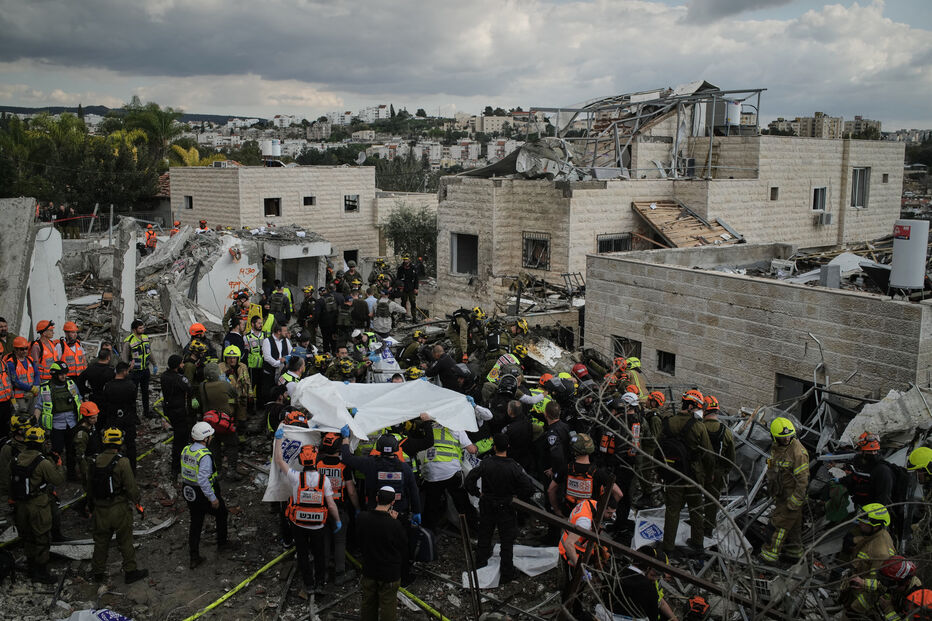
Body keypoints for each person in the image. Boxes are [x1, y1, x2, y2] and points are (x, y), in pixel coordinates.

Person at [464, 433, 536, 583]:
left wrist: (478, 494)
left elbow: (469, 480)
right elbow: (529, 487)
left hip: (487, 505)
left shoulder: (485, 464)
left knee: (484, 536)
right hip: (506, 506)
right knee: (507, 541)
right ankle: (507, 573)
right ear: (507, 447)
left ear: (494, 447)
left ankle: (480, 566)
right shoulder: (514, 467)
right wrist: (516, 497)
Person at [274, 438, 340, 597]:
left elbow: (278, 460)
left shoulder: (295, 477)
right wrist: (337, 520)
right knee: (319, 554)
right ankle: (319, 584)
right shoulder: (324, 481)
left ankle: (309, 585)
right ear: (317, 459)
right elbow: (331, 505)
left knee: (302, 554)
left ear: (301, 460)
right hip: (318, 525)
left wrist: (278, 440)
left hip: (299, 524)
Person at [89, 427, 148, 584]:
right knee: (125, 541)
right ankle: (130, 571)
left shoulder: (94, 461)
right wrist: (137, 502)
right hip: (118, 508)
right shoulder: (122, 462)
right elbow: (131, 487)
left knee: (101, 542)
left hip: (100, 509)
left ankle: (98, 573)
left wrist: (90, 506)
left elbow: (89, 486)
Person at [658, 389, 712, 556]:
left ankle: (668, 547)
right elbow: (708, 454)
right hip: (694, 477)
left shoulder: (668, 422)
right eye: (697, 408)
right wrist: (709, 475)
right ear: (690, 406)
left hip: (673, 474)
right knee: (696, 510)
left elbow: (659, 448)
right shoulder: (699, 427)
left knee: (672, 510)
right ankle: (698, 543)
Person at [10, 426, 64, 583]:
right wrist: (59, 465)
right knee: (41, 538)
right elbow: (58, 480)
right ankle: (41, 572)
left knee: (27, 537)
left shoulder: (16, 459)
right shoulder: (43, 463)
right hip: (38, 505)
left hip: (20, 505)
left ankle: (31, 567)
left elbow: (8, 481)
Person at [182, 421, 236, 569]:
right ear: (205, 438)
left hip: (189, 492)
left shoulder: (187, 450)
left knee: (196, 522)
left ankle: (194, 556)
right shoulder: (204, 455)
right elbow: (203, 480)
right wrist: (213, 498)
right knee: (221, 513)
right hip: (202, 493)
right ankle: (222, 543)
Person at [759, 417, 809, 564]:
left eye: (788, 436)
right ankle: (794, 554)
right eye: (782, 437)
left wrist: (794, 501)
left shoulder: (798, 453)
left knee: (778, 526)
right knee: (793, 529)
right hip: (781, 495)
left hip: (791, 498)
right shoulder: (777, 448)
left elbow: (803, 480)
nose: (786, 439)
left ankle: (769, 555)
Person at [358, 486, 408, 621]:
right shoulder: (394, 525)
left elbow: (359, 539)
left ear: (376, 499)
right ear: (392, 503)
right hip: (389, 573)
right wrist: (397, 521)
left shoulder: (363, 518)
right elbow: (403, 546)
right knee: (388, 605)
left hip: (369, 569)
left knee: (368, 603)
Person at [420, 422, 479, 532]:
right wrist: (476, 448)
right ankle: (473, 528)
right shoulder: (456, 427)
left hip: (431, 473)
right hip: (450, 472)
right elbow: (471, 449)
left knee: (431, 505)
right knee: (462, 501)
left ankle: (427, 534)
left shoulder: (430, 428)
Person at [318, 432, 360, 584]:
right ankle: (340, 574)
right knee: (340, 542)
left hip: (321, 509)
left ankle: (322, 573)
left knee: (325, 540)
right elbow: (351, 491)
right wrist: (357, 508)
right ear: (339, 449)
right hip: (339, 509)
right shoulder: (344, 467)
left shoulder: (318, 464)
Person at [844, 503, 898, 617]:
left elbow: (877, 588)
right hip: (855, 590)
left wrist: (855, 608)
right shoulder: (875, 535)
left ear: (876, 525)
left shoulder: (881, 553)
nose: (860, 523)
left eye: (865, 522)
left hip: (864, 602)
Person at [598, 544, 676, 621]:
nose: (655, 578)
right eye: (654, 574)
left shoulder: (615, 574)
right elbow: (653, 616)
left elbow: (660, 602)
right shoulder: (648, 588)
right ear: (648, 567)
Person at [34, 361, 82, 481]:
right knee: (57, 451)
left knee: (72, 451)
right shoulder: (46, 388)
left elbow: (79, 400)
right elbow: (39, 406)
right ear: (54, 375)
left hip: (72, 423)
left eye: (65, 374)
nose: (64, 376)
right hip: (57, 425)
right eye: (61, 374)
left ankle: (72, 475)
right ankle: (55, 475)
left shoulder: (71, 384)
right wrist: (34, 422)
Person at [701, 395, 735, 538]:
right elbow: (731, 456)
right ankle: (708, 529)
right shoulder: (726, 431)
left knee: (694, 498)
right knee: (712, 502)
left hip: (699, 471)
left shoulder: (698, 427)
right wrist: (723, 471)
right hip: (717, 473)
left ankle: (695, 527)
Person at [199, 362, 239, 480]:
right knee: (232, 445)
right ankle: (231, 471)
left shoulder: (202, 386)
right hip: (224, 421)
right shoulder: (224, 385)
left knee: (214, 446)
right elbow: (235, 394)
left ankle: (218, 471)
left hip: (209, 422)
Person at [100, 362, 140, 469]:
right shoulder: (131, 385)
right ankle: (131, 468)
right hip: (127, 418)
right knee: (130, 444)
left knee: (111, 444)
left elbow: (104, 403)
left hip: (112, 419)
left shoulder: (108, 386)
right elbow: (133, 401)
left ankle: (111, 467)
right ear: (124, 372)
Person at [161, 354, 193, 480]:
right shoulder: (179, 378)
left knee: (179, 437)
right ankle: (177, 467)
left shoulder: (164, 376)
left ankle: (177, 466)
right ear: (177, 365)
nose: (183, 365)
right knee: (181, 440)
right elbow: (189, 389)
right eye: (181, 363)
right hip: (179, 411)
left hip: (169, 410)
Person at [122, 319, 155, 420]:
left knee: (145, 392)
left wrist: (155, 364)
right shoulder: (129, 341)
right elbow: (124, 357)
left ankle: (146, 412)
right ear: (134, 329)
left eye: (143, 327)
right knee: (133, 394)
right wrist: (127, 368)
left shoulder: (145, 338)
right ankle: (134, 415)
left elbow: (149, 352)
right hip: (135, 372)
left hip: (145, 370)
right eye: (140, 328)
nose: (143, 329)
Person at [219, 345, 252, 434]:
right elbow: (221, 384)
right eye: (229, 358)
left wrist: (250, 395)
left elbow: (247, 381)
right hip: (228, 400)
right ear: (225, 358)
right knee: (228, 421)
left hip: (241, 398)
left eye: (234, 358)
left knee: (242, 420)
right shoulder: (220, 367)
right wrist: (227, 375)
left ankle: (241, 439)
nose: (232, 360)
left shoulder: (243, 367)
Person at [73, 401, 101, 495]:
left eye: (96, 417)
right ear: (85, 418)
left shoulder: (91, 426)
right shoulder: (81, 434)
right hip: (89, 463)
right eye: (93, 418)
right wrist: (85, 472)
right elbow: (80, 455)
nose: (95, 420)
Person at [7, 336, 39, 414]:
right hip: (20, 398)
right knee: (21, 420)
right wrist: (30, 388)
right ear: (15, 349)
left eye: (26, 348)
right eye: (22, 349)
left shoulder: (30, 359)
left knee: (32, 418)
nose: (25, 351)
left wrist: (35, 386)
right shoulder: (11, 363)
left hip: (32, 395)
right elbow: (15, 381)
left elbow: (36, 374)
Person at [261, 324, 291, 403]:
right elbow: (267, 357)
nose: (286, 333)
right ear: (278, 332)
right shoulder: (267, 341)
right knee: (268, 393)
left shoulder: (286, 341)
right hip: (270, 372)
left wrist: (285, 359)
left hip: (282, 373)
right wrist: (279, 362)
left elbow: (291, 353)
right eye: (284, 331)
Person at [30, 320, 59, 384]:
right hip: (43, 379)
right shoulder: (36, 346)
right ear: (44, 333)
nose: (53, 332)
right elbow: (35, 365)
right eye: (51, 330)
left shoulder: (51, 343)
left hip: (54, 377)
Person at [395, 256, 419, 321]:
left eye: (407, 259)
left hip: (411, 288)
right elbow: (398, 279)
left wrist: (416, 288)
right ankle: (403, 317)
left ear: (409, 260)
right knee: (403, 303)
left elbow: (416, 279)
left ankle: (414, 318)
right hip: (403, 288)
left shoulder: (413, 268)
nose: (405, 261)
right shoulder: (400, 268)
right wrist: (399, 287)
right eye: (404, 259)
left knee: (413, 303)